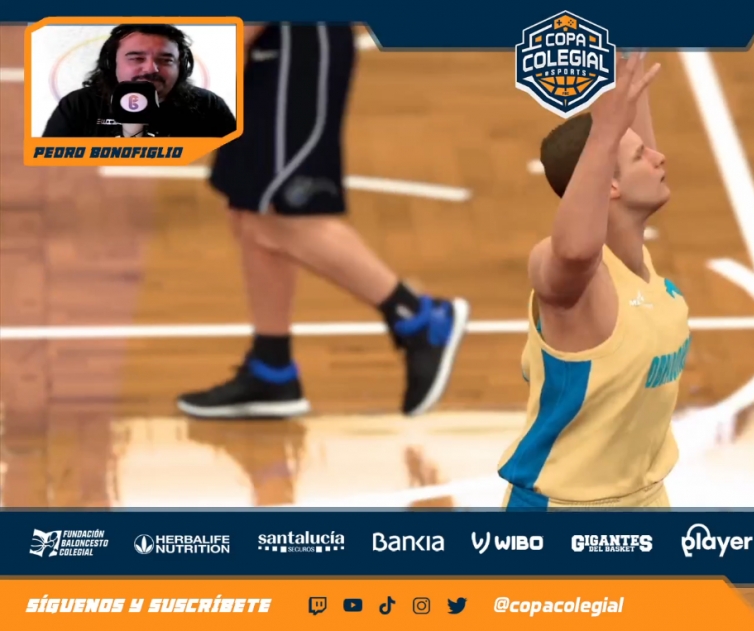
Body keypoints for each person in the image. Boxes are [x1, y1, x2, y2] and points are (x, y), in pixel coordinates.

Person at [177, 24, 469, 419]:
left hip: (296, 39)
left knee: (280, 216)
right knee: (247, 209)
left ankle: (419, 319)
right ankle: (272, 368)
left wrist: (230, 39)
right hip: (269, 45)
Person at [497, 52, 688, 510]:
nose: (659, 157)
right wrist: (604, 133)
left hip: (647, 501)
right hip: (563, 513)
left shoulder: (636, 261)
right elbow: (575, 251)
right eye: (641, 156)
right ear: (611, 186)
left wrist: (628, 50)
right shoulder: (573, 281)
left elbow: (629, 112)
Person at [42, 24, 235, 138]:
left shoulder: (209, 107)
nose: (151, 69)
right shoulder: (78, 105)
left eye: (166, 60)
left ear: (181, 67)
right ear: (112, 64)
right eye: (136, 58)